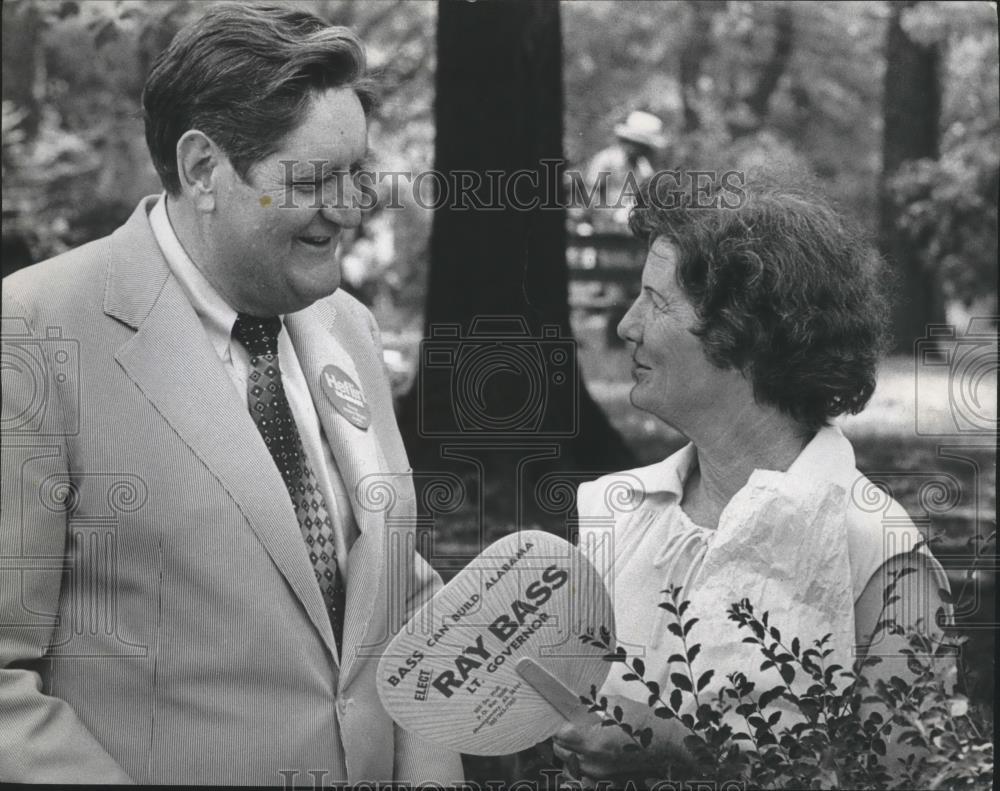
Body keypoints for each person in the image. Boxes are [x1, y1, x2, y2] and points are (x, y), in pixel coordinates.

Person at [0, 4, 462, 784]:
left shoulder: (346, 325)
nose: (352, 207)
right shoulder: (36, 334)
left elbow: (397, 601)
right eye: (316, 178)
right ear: (203, 169)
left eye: (356, 172)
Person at [548, 175, 953, 785]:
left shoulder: (876, 553)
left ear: (746, 333)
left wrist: (677, 747)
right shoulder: (618, 512)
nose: (628, 326)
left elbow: (909, 776)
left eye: (657, 302)